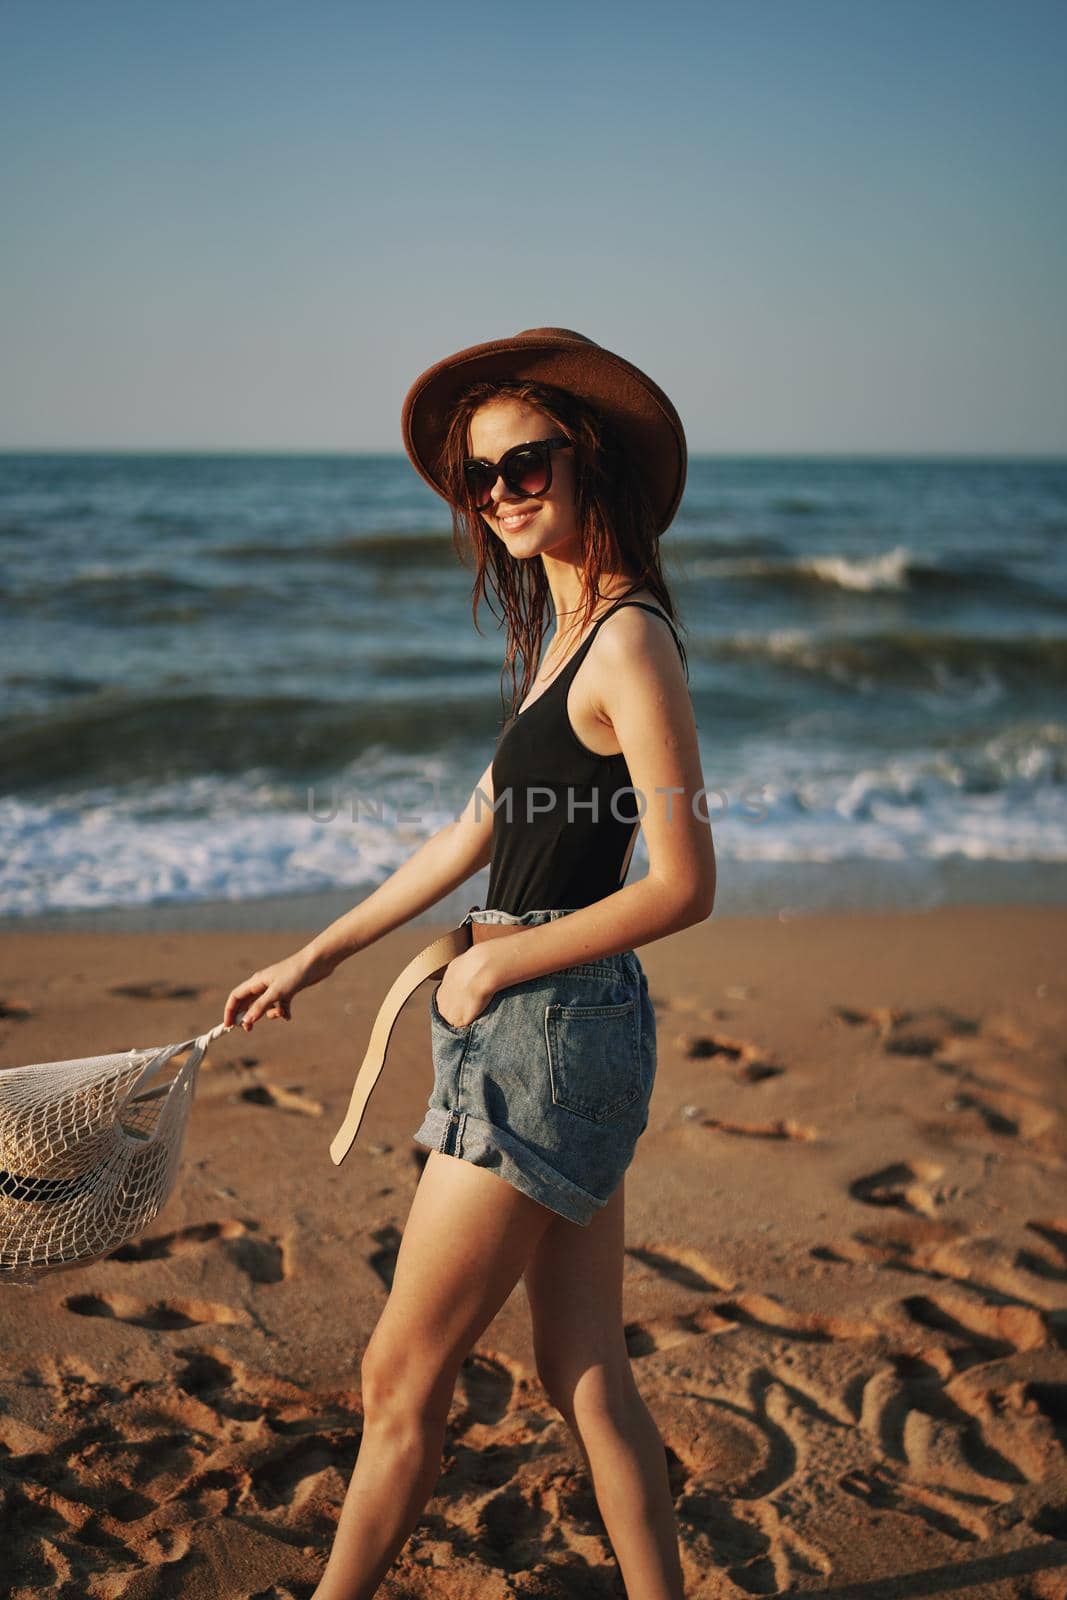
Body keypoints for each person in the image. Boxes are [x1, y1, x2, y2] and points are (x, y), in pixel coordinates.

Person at [223, 328, 716, 1599]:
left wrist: (500, 969)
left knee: (399, 1379)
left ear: (587, 461)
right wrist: (314, 958)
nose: (499, 493)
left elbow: (681, 879)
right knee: (583, 1369)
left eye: (524, 464)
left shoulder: (627, 643)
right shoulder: (564, 640)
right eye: (479, 477)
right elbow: (472, 834)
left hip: (544, 1032)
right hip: (552, 1026)